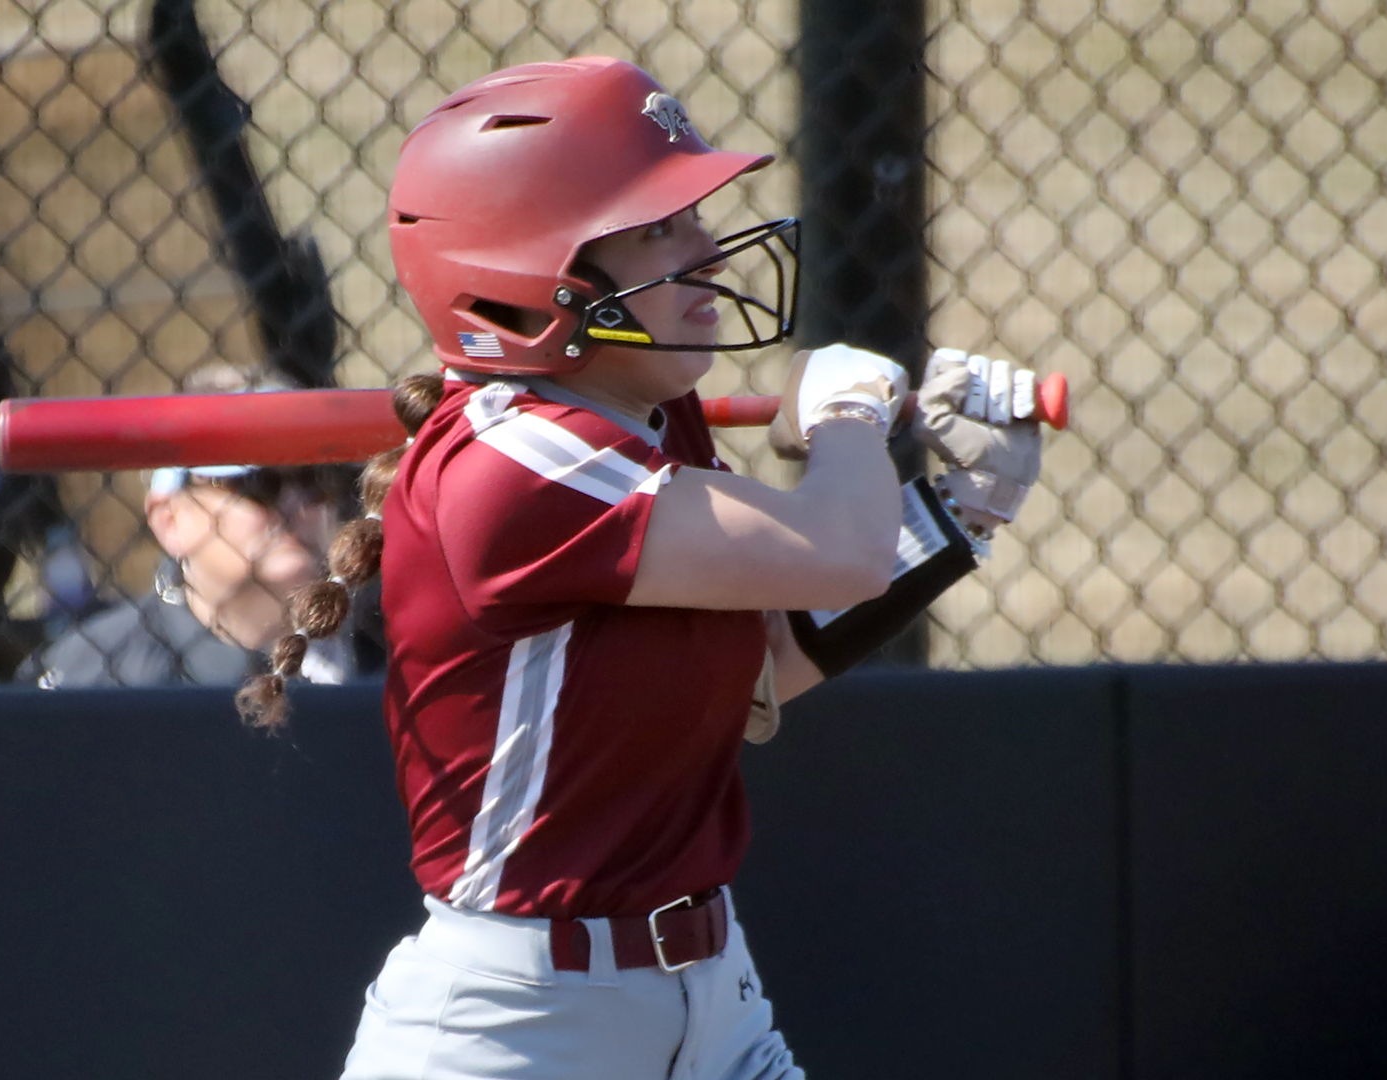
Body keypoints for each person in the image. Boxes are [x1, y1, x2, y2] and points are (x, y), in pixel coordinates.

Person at [236, 58, 1042, 1078]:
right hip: (520, 1029)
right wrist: (848, 417)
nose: (707, 250)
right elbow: (834, 548)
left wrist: (966, 509)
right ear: (541, 277)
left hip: (713, 1003)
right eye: (660, 228)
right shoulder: (517, 460)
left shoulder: (649, 425)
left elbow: (756, 671)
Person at [26, 366, 379, 688]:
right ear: (170, 521)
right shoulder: (93, 675)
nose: (295, 504)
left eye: (313, 478)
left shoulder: (397, 644)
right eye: (260, 485)